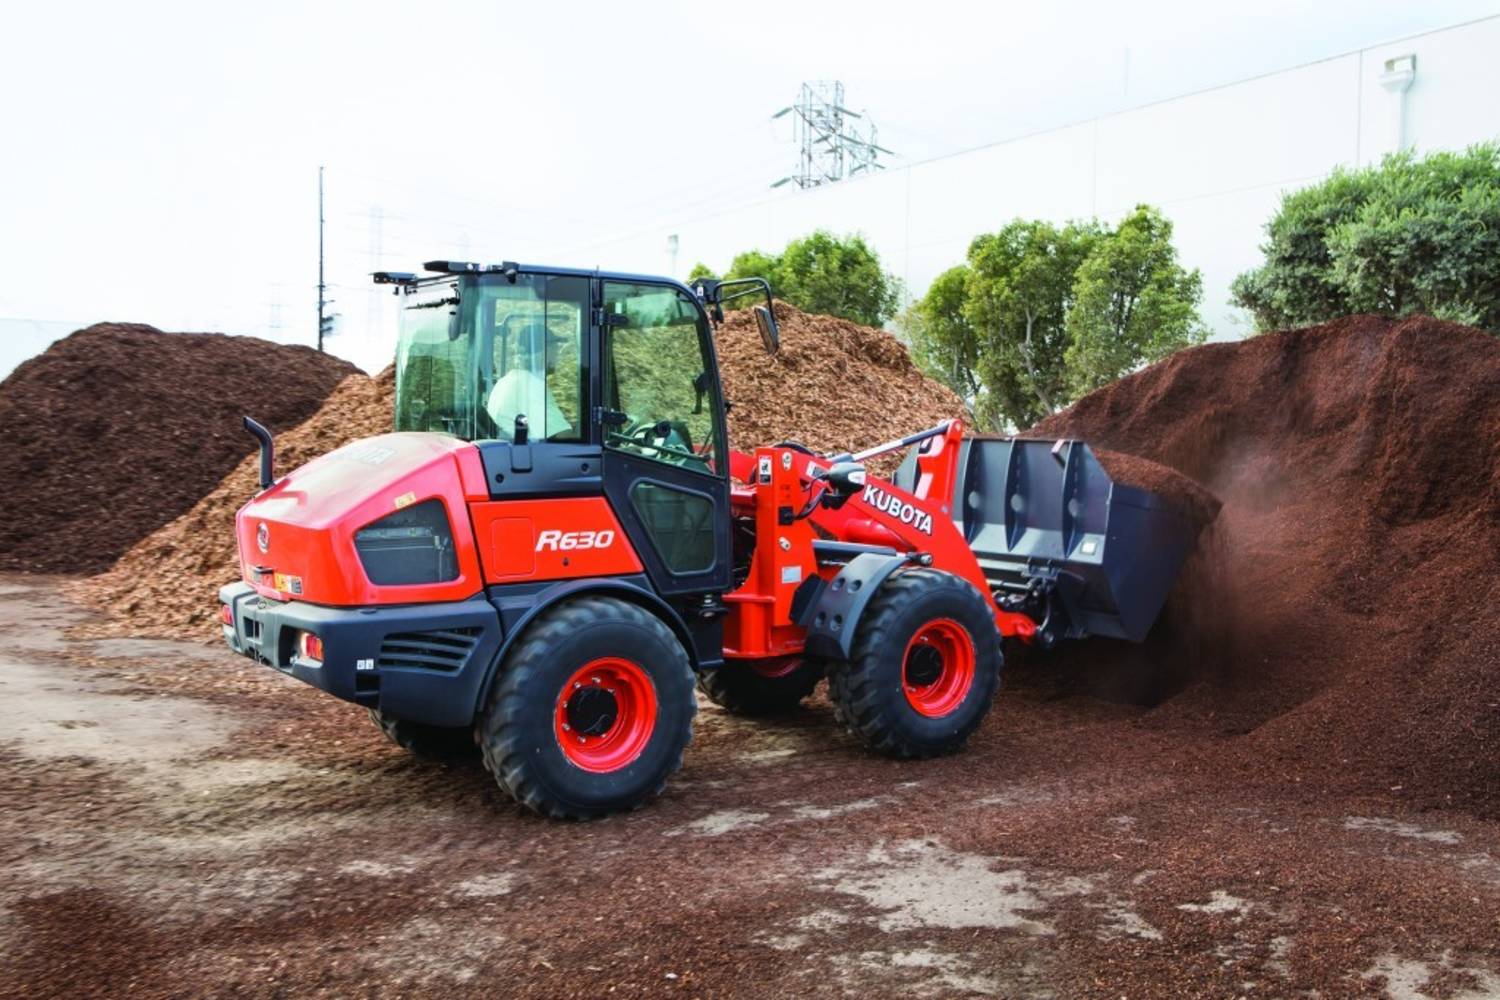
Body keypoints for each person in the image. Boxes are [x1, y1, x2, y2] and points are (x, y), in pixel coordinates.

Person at [485, 320, 573, 439]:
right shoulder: (531, 386)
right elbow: (561, 436)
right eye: (554, 349)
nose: (557, 355)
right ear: (542, 353)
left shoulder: (507, 381)